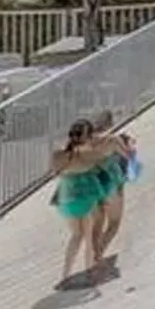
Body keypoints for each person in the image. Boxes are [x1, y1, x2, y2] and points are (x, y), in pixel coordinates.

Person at [49, 118, 125, 286]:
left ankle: (65, 275)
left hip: (66, 197)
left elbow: (55, 170)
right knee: (91, 236)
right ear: (89, 135)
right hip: (88, 195)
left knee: (76, 236)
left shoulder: (58, 154)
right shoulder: (89, 154)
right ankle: (91, 271)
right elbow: (105, 161)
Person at [87, 108, 137, 264]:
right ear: (109, 124)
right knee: (114, 223)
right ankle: (98, 255)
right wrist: (131, 145)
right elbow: (130, 156)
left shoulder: (84, 143)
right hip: (111, 185)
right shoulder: (112, 140)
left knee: (97, 224)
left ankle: (94, 253)